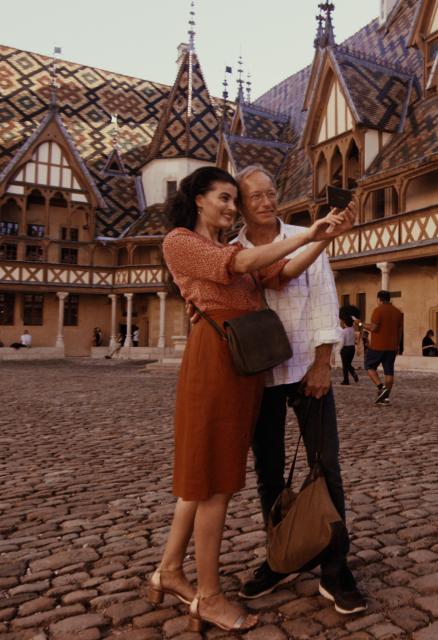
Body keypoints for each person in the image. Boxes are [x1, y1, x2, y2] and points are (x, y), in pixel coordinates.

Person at [151, 166, 353, 633]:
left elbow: (282, 273)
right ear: (198, 199)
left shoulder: (231, 247)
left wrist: (321, 237)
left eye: (230, 199)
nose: (229, 206)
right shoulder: (182, 242)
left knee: (205, 478)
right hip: (215, 362)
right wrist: (308, 236)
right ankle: (209, 595)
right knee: (214, 482)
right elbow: (241, 267)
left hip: (243, 368)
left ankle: (170, 571)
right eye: (223, 198)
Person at [231, 165, 367, 615]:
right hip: (260, 376)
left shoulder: (308, 235)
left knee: (325, 467)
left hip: (308, 367)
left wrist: (325, 361)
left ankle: (335, 566)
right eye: (257, 197)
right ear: (241, 203)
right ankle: (280, 556)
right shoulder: (233, 251)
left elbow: (325, 295)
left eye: (271, 193)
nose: (267, 202)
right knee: (270, 474)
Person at [357, 290, 403, 405]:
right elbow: (400, 331)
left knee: (369, 366)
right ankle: (385, 398)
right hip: (392, 347)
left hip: (378, 346)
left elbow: (373, 328)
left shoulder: (378, 310)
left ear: (379, 299)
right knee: (389, 371)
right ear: (389, 299)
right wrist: (398, 344)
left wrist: (360, 324)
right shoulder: (397, 312)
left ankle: (381, 387)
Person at [339, 318, 358, 385]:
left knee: (345, 366)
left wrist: (340, 349)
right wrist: (353, 318)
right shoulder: (353, 330)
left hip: (345, 348)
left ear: (345, 323)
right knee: (348, 364)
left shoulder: (344, 331)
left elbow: (343, 342)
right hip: (352, 348)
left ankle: (346, 380)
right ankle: (353, 373)